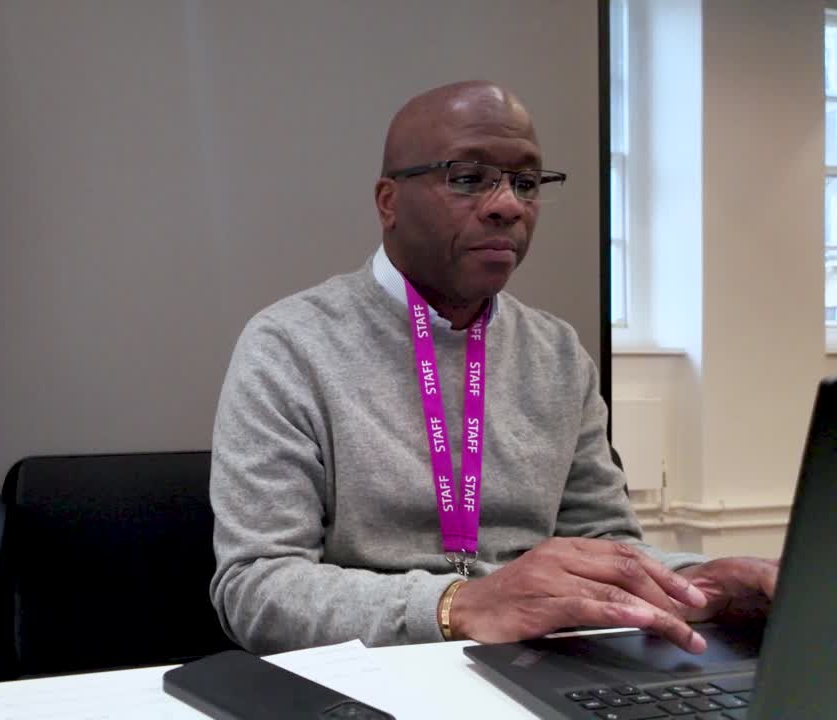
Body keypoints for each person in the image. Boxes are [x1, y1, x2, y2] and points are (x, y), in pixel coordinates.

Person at [209, 80, 777, 655]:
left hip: (543, 666)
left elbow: (605, 550)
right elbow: (255, 590)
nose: (508, 205)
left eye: (526, 183)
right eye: (467, 178)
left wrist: (707, 584)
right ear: (389, 202)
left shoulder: (555, 351)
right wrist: (462, 604)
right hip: (373, 680)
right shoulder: (290, 345)